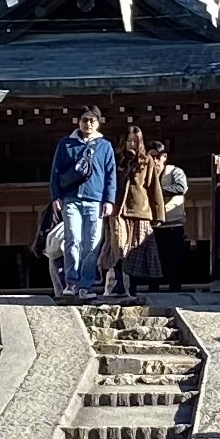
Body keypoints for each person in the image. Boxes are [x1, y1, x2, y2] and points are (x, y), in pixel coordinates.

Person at [48, 107, 116, 300]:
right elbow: (55, 172)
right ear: (78, 121)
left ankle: (85, 285)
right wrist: (56, 196)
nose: (88, 124)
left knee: (92, 243)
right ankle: (71, 281)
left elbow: (110, 175)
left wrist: (109, 200)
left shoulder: (105, 146)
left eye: (92, 120)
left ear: (98, 123)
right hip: (71, 199)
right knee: (73, 240)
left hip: (95, 200)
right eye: (85, 120)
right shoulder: (66, 144)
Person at [108, 122, 162, 297]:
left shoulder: (147, 161)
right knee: (119, 246)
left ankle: (132, 286)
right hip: (118, 209)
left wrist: (158, 213)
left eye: (135, 141)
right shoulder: (116, 159)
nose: (131, 144)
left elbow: (153, 187)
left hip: (139, 209)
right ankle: (119, 282)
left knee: (136, 250)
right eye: (129, 140)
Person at [153, 141, 190, 290]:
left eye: (157, 157)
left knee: (174, 258)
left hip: (173, 222)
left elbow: (182, 187)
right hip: (153, 224)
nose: (154, 161)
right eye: (151, 157)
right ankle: (153, 288)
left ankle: (175, 289)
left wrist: (159, 191)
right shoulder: (146, 173)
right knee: (155, 260)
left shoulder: (175, 171)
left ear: (164, 157)